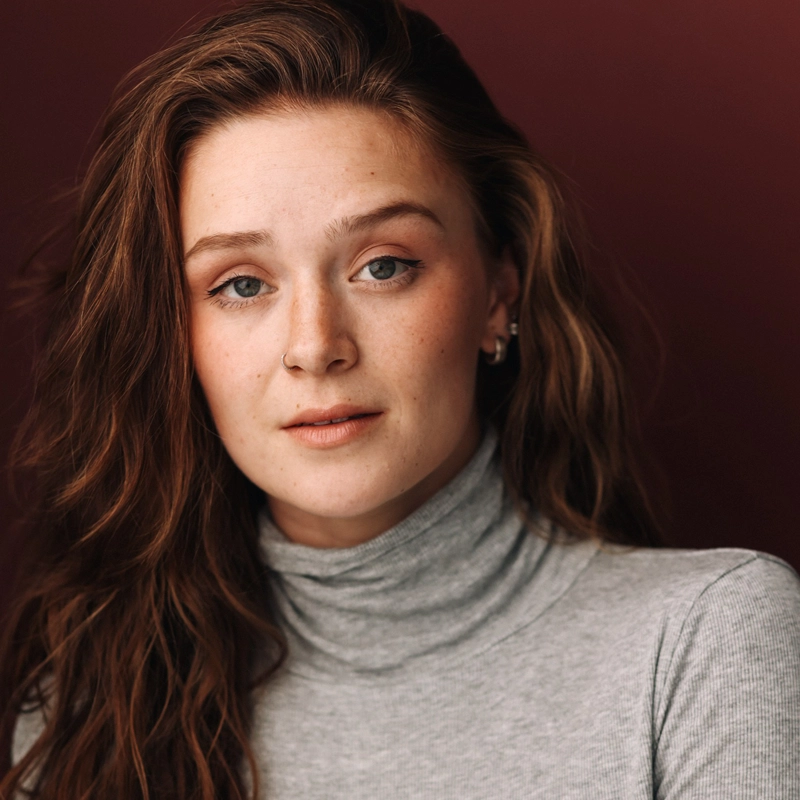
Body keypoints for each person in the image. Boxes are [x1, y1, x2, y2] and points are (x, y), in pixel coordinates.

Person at [1, 0, 798, 797]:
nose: (315, 346)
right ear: (175, 339)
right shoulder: (85, 710)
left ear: (496, 292)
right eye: (241, 284)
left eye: (383, 265)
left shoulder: (708, 644)